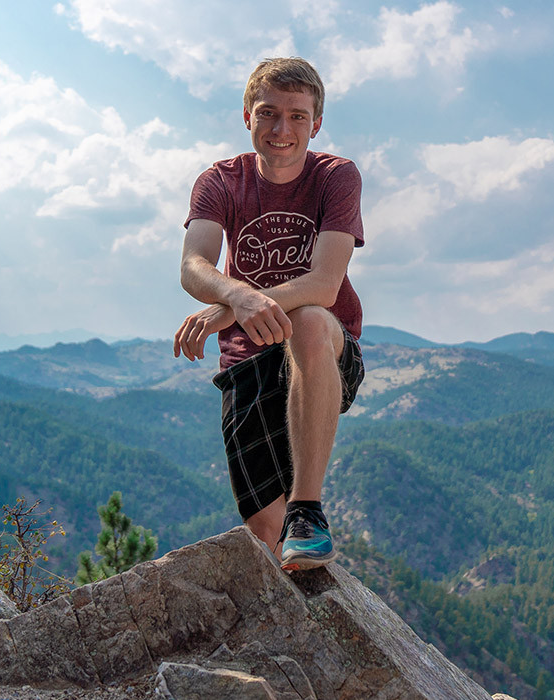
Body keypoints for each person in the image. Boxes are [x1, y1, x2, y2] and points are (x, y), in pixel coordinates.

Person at [173, 57, 366, 571]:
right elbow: (193, 265)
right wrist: (236, 300)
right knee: (264, 528)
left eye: (298, 116)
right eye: (269, 113)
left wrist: (234, 306)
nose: (283, 129)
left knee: (306, 321)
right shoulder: (220, 182)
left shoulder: (336, 177)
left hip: (325, 345)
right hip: (245, 356)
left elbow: (324, 286)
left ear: (316, 123)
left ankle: (308, 509)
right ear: (247, 116)